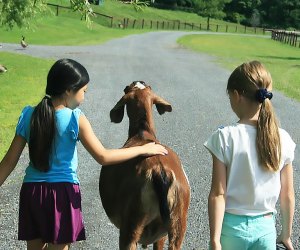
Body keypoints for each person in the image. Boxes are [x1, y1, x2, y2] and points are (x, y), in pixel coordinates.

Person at [0, 58, 168, 250]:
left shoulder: (29, 114)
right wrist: (143, 148)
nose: (84, 97)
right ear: (69, 90)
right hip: (62, 194)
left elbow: (8, 163)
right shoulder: (75, 118)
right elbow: (103, 156)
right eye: (83, 92)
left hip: (32, 193)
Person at [204, 61, 296, 250]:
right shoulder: (283, 138)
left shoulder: (224, 137)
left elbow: (218, 194)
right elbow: (287, 194)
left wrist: (215, 240)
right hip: (266, 230)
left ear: (236, 96)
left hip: (231, 230)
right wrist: (286, 234)